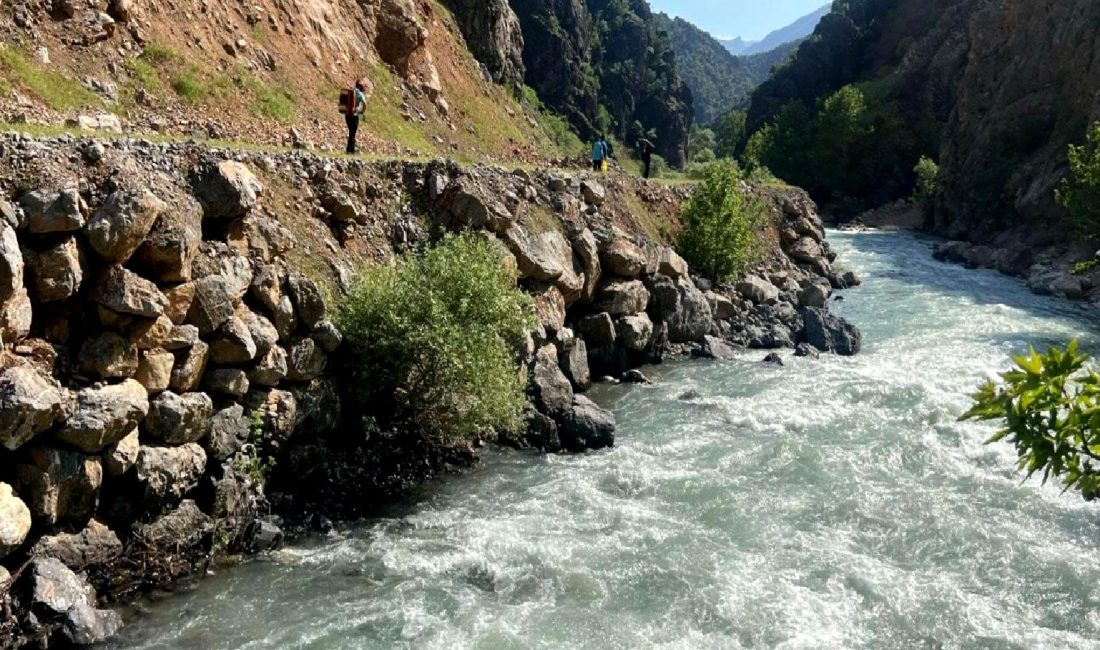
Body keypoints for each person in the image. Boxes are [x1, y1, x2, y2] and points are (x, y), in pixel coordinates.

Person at [346, 79, 367, 155]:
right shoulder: (360, 94)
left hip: (347, 115)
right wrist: (362, 112)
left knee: (351, 132)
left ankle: (349, 150)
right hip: (354, 115)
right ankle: (350, 151)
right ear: (361, 87)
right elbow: (364, 104)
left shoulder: (352, 91)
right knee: (353, 133)